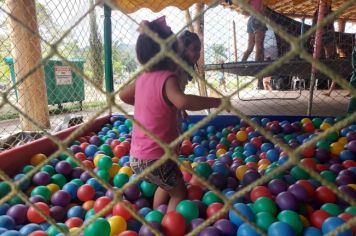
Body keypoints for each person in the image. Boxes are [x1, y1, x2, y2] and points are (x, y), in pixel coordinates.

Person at [119, 16, 222, 212]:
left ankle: (156, 213)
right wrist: (216, 101)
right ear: (171, 53)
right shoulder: (168, 78)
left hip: (137, 157)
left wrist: (149, 102)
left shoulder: (142, 78)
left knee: (166, 184)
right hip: (157, 157)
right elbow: (183, 101)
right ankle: (167, 223)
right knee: (179, 192)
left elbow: (124, 96)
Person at [310, 2, 338, 96]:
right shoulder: (316, 13)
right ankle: (312, 86)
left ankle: (330, 90)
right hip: (319, 36)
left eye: (327, 5)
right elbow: (314, 27)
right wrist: (313, 38)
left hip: (329, 37)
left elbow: (330, 24)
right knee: (317, 61)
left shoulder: (331, 13)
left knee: (332, 61)